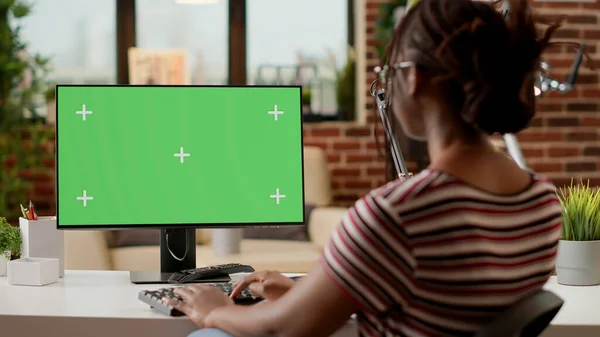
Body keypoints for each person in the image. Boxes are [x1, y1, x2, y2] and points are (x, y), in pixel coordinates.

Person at [164, 0, 563, 336]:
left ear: (414, 78)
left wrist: (213, 308)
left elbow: (278, 330)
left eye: (387, 72)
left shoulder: (399, 213)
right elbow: (439, 310)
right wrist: (314, 294)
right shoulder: (542, 201)